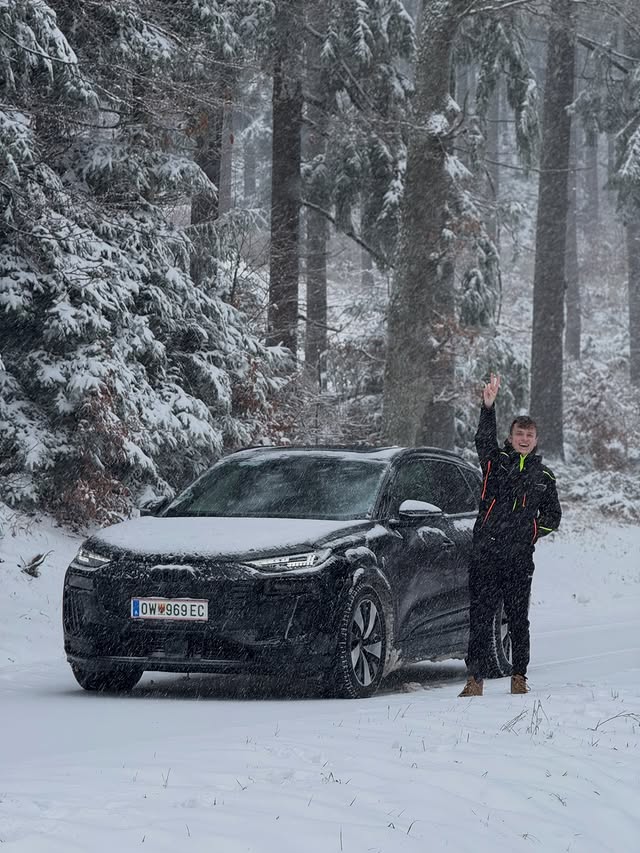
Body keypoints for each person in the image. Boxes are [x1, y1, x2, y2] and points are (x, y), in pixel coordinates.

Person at [459, 373, 562, 697]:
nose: (524, 438)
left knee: (518, 620)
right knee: (480, 618)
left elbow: (553, 517)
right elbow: (482, 439)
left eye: (530, 435)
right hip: (486, 553)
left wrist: (532, 531)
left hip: (519, 557)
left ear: (535, 439)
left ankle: (519, 676)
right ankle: (474, 680)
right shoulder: (495, 461)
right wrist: (488, 406)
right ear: (511, 435)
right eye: (520, 433)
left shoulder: (543, 475)